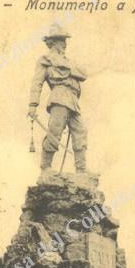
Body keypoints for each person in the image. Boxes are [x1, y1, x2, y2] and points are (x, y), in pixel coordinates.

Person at [27, 24, 88, 173]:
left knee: (81, 132)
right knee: (55, 132)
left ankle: (81, 170)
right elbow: (37, 83)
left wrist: (65, 67)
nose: (65, 44)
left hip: (73, 100)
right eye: (62, 40)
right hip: (59, 98)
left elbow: (84, 74)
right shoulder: (45, 61)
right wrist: (33, 105)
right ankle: (46, 167)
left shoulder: (67, 61)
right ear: (53, 42)